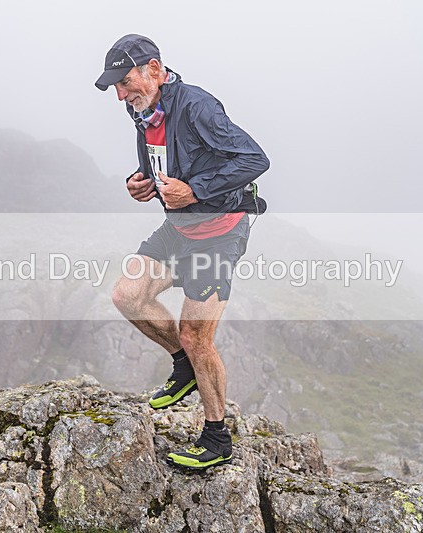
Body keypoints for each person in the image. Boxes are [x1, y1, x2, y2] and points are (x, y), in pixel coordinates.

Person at [95, 34, 269, 469]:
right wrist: (140, 182)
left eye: (125, 81)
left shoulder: (196, 105)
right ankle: (183, 365)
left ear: (153, 69)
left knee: (197, 336)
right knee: (127, 295)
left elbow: (254, 159)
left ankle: (216, 438)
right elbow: (165, 164)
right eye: (115, 86)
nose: (120, 93)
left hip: (219, 233)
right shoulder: (144, 111)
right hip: (178, 230)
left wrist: (193, 192)